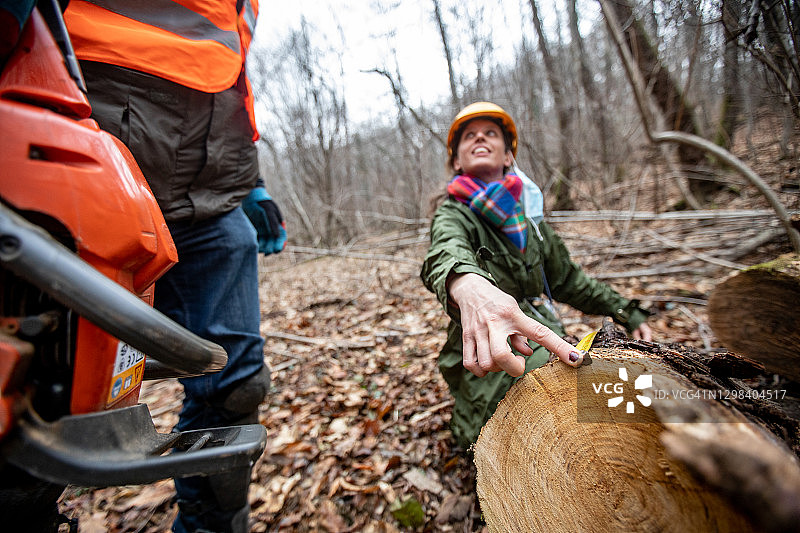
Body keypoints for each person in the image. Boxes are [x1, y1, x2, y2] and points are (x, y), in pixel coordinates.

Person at [63, 2, 285, 532]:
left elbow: (231, 77)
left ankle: (213, 526)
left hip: (213, 189)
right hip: (96, 145)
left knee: (238, 384)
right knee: (47, 385)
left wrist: (247, 178)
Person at [420, 102, 652, 450]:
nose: (480, 138)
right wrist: (465, 283)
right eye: (469, 136)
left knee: (626, 399)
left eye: (490, 133)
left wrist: (627, 311)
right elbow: (445, 250)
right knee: (557, 414)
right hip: (491, 347)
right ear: (457, 161)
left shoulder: (532, 223)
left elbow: (571, 282)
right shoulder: (453, 214)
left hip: (542, 333)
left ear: (508, 155)